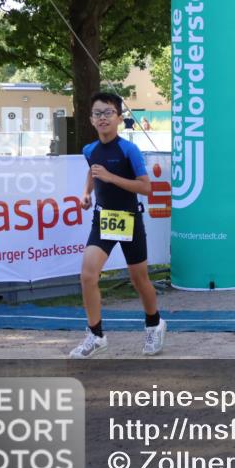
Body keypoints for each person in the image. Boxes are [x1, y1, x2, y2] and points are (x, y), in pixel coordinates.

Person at [71, 92, 166, 358]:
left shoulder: (129, 150)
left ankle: (154, 324)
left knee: (139, 279)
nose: (102, 118)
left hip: (128, 218)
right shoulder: (89, 150)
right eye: (97, 113)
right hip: (103, 218)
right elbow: (93, 172)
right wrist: (86, 192)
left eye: (108, 113)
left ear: (119, 118)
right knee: (88, 275)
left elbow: (146, 188)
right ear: (91, 119)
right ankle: (95, 334)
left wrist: (112, 177)